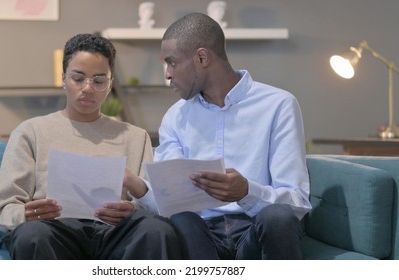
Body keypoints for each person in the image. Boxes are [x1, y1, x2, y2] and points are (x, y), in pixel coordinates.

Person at [126, 13, 312, 260]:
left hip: (256, 229)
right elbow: (171, 200)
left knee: (278, 215)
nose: (168, 74)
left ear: (202, 58)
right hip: (199, 236)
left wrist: (246, 192)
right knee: (181, 218)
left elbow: (296, 204)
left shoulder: (279, 105)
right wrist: (136, 186)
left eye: (172, 63)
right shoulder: (175, 117)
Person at [0, 33, 181, 260]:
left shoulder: (135, 137)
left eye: (99, 81)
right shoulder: (30, 132)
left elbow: (154, 205)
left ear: (109, 85)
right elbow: (3, 208)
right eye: (78, 78)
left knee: (157, 230)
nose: (88, 88)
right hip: (54, 230)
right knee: (31, 235)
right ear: (63, 79)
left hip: (115, 233)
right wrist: (27, 214)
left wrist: (132, 210)